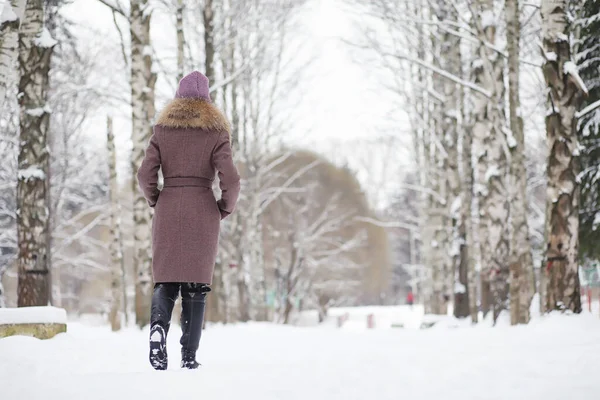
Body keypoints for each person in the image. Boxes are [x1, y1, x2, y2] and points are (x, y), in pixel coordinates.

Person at [137, 71, 240, 370]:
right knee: (195, 285)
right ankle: (188, 356)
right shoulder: (216, 132)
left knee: (165, 280)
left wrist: (157, 198)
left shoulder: (162, 131)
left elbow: (145, 174)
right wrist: (223, 207)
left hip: (168, 206)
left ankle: (158, 329)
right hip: (203, 210)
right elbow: (231, 179)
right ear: (207, 98)